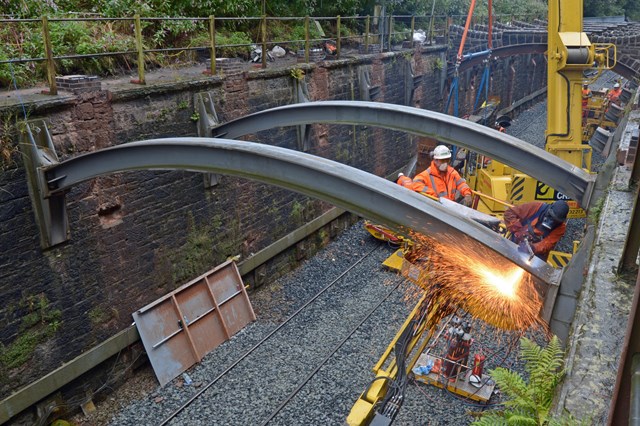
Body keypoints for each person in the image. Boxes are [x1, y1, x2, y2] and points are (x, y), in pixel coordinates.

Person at [397, 145, 473, 206]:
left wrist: (467, 194)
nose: (445, 163)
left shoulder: (452, 172)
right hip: (436, 208)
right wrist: (433, 195)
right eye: (442, 160)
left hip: (450, 207)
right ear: (435, 160)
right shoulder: (427, 175)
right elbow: (416, 184)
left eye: (447, 160)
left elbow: (461, 184)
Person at [503, 200, 569, 261]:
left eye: (555, 221)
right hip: (514, 245)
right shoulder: (536, 207)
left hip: (535, 257)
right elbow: (509, 213)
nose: (551, 222)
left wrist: (532, 248)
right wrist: (517, 230)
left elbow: (546, 244)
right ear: (549, 209)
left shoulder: (561, 227)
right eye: (551, 217)